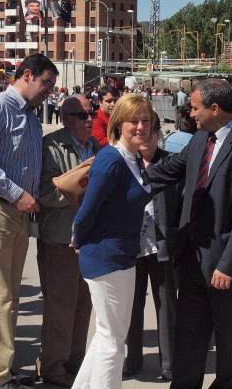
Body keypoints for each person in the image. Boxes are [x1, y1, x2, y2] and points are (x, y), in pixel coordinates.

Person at [146, 78, 232, 389]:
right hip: (192, 260)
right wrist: (122, 174)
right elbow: (168, 170)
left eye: (195, 107)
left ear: (215, 109)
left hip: (228, 268)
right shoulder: (200, 140)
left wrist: (228, 265)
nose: (190, 112)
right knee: (187, 341)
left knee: (229, 347)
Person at [0, 53, 58, 389]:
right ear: (27, 75)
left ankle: (2, 369)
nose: (50, 91)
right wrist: (17, 193)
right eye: (46, 83)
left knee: (10, 296)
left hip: (15, 213)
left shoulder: (32, 117)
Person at [71, 93, 156, 389]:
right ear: (119, 123)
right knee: (113, 343)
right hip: (106, 258)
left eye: (146, 121)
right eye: (133, 121)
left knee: (107, 335)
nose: (140, 127)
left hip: (123, 256)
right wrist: (79, 240)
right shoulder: (111, 159)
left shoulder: (133, 158)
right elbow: (85, 213)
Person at [33, 95, 99, 387]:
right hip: (59, 237)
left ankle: (75, 361)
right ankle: (52, 366)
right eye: (82, 113)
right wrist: (80, 191)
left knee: (83, 304)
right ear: (66, 118)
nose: (89, 118)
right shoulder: (51, 146)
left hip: (88, 239)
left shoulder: (94, 146)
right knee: (60, 306)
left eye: (91, 112)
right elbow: (43, 192)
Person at [124, 117, 178, 382]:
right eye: (138, 130)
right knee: (131, 307)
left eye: (149, 131)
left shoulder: (171, 162)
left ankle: (168, 363)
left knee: (166, 305)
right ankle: (132, 360)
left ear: (158, 133)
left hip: (162, 245)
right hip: (131, 247)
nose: (143, 136)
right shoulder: (124, 162)